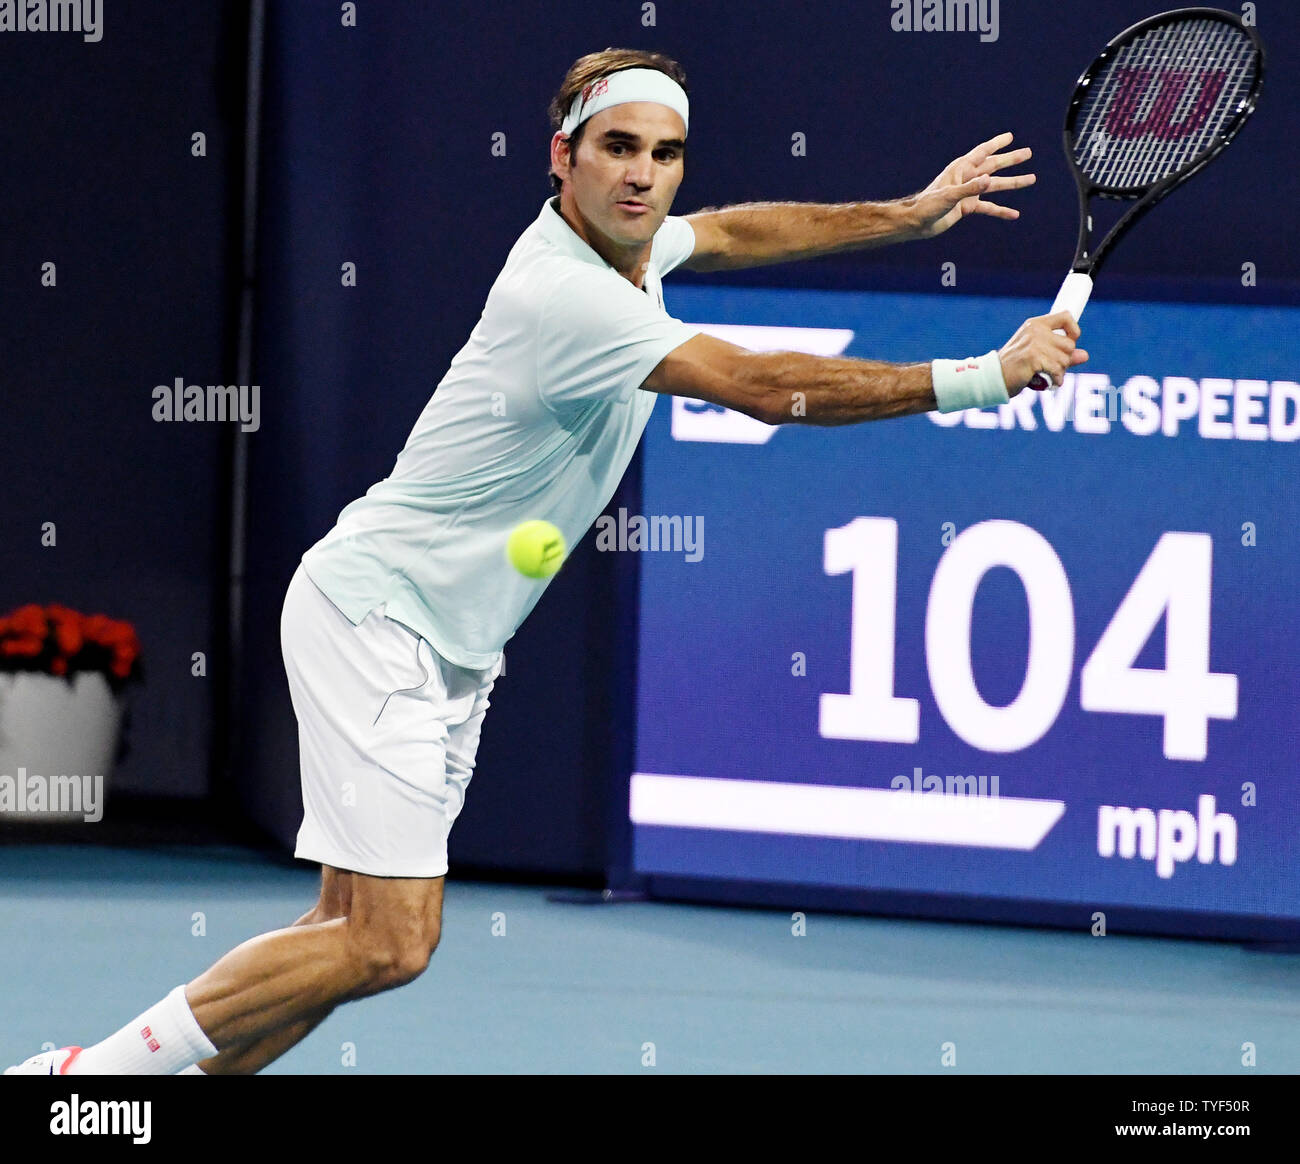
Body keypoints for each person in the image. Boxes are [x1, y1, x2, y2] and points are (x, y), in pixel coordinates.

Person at [5, 46, 1085, 1076]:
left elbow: (732, 233)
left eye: (664, 156)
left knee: (340, 939)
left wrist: (904, 213)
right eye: (618, 148)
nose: (644, 178)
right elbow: (764, 389)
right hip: (377, 620)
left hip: (446, 644)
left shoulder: (628, 244)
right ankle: (83, 1080)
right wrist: (981, 377)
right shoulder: (563, 297)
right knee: (389, 943)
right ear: (559, 155)